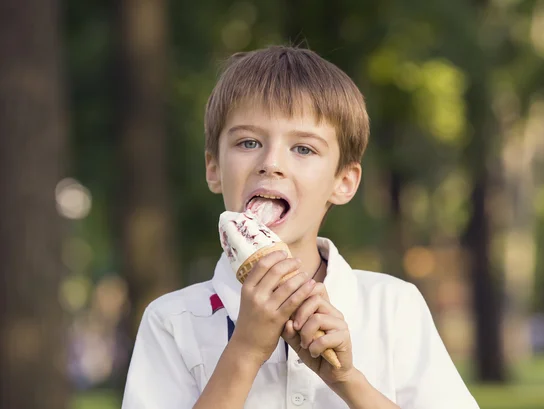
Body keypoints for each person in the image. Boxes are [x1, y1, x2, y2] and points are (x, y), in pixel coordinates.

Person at [122, 45, 479, 409]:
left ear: (344, 181)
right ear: (214, 168)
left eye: (304, 149)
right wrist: (244, 351)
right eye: (249, 142)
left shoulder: (392, 307)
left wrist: (347, 379)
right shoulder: (172, 321)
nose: (271, 163)